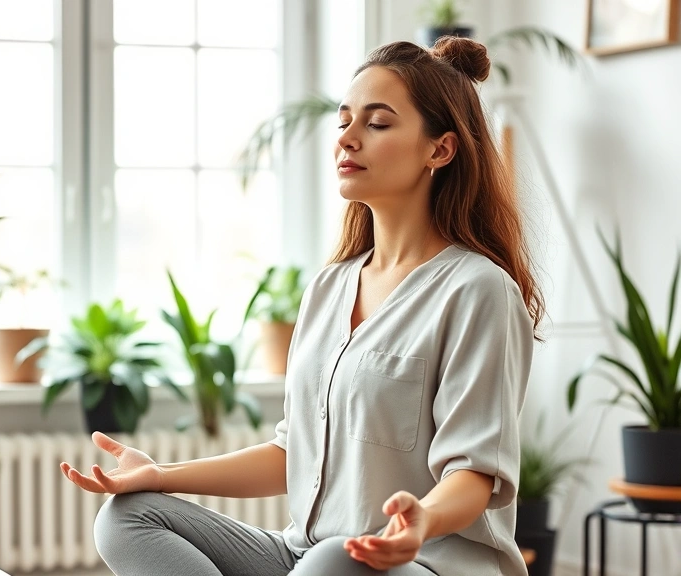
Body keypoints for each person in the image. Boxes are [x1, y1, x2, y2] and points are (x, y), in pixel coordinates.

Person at [59, 37, 545, 576]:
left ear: (441, 149)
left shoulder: (478, 290)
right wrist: (160, 475)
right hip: (306, 558)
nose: (348, 140)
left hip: (422, 563)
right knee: (127, 517)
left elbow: (474, 476)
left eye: (377, 124)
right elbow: (292, 456)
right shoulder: (328, 288)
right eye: (344, 122)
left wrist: (419, 523)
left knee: (335, 560)